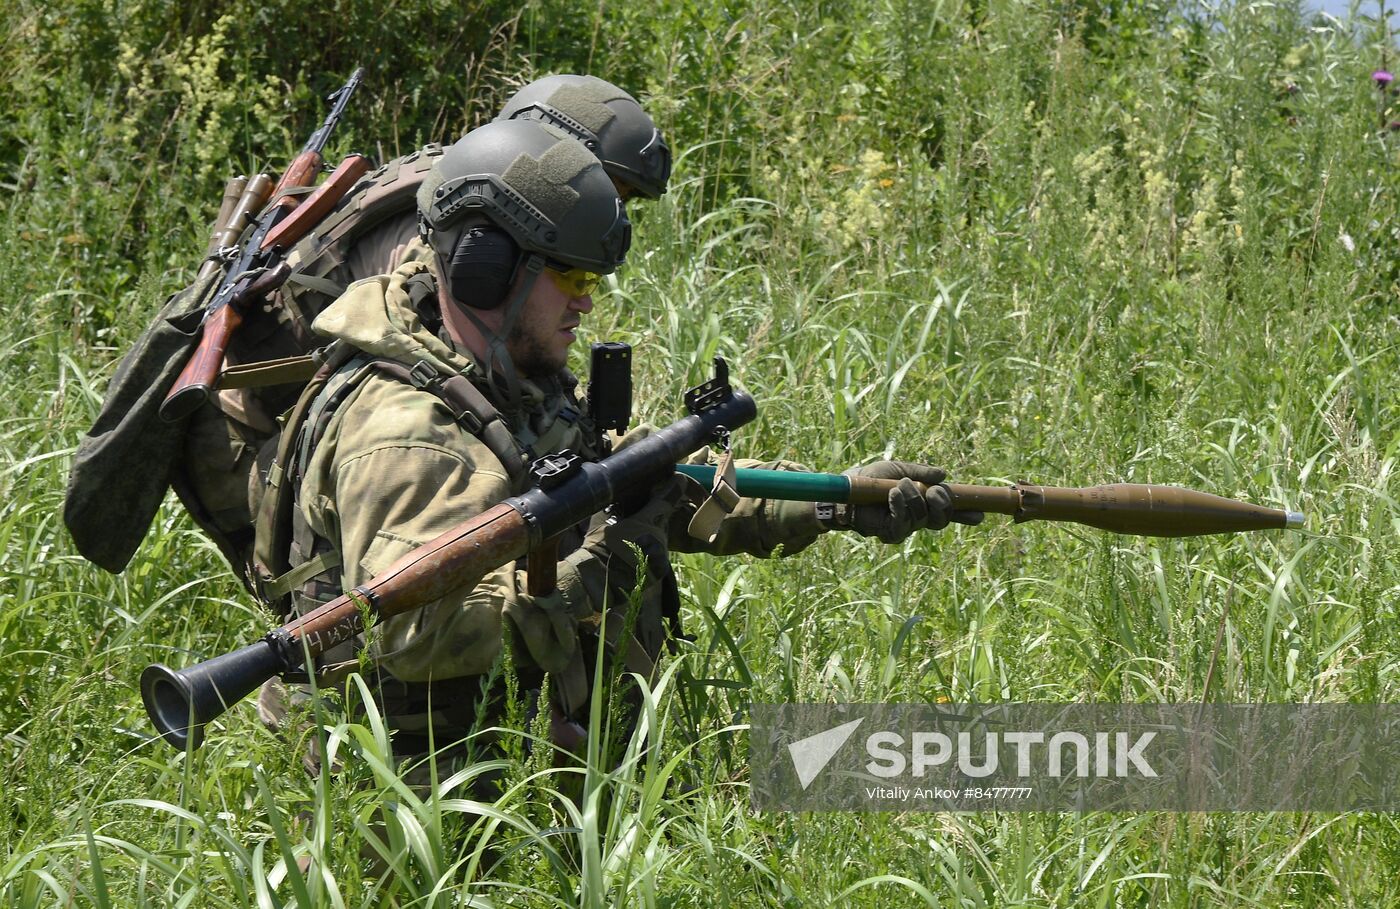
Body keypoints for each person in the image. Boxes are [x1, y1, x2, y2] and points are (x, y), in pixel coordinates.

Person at [258, 116, 979, 782]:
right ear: (487, 266)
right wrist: (613, 557)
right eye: (570, 275)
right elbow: (425, 635)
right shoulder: (411, 437)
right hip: (414, 801)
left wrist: (839, 500)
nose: (587, 301)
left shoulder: (494, 370)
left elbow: (639, 490)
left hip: (495, 758)